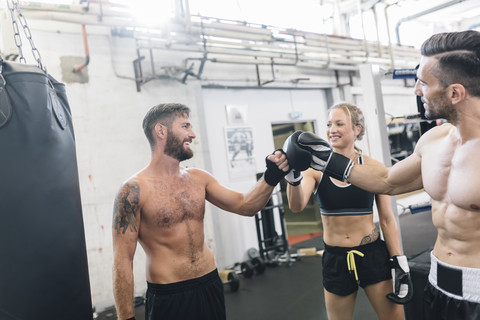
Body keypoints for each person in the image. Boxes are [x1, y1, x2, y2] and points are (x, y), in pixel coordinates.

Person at [288, 30, 480, 319]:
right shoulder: (433, 141)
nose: (416, 90)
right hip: (437, 282)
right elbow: (386, 181)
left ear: (455, 93)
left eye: (423, 83)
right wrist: (327, 160)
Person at [112, 103, 289, 320]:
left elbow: (246, 206)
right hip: (170, 296)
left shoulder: (199, 178)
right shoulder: (133, 190)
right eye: (185, 126)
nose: (193, 134)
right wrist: (125, 318)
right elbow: (122, 260)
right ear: (161, 131)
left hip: (209, 284)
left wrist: (272, 175)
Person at [285, 103, 406, 320]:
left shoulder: (373, 167)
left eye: (340, 124)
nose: (332, 129)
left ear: (357, 129)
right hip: (336, 258)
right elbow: (296, 206)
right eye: (329, 124)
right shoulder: (314, 170)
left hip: (372, 254)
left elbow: (387, 218)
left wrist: (399, 260)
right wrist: (292, 176)